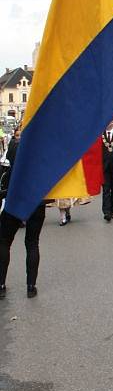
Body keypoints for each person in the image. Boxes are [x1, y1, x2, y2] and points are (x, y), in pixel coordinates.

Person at [0, 128, 48, 299]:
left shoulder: (13, 145)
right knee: (32, 243)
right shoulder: (42, 148)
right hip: (36, 200)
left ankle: (1, 284)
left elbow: (5, 166)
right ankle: (30, 286)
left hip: (15, 197)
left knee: (4, 241)